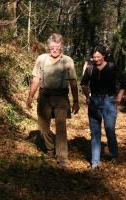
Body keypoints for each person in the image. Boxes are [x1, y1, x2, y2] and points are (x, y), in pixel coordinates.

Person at [26, 33, 80, 168]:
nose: (54, 49)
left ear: (61, 46)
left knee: (61, 128)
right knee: (43, 127)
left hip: (61, 97)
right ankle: (50, 148)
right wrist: (30, 96)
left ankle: (62, 157)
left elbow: (73, 82)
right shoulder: (41, 59)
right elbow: (36, 79)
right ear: (48, 47)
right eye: (52, 47)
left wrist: (76, 101)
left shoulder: (68, 61)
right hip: (44, 96)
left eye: (57, 46)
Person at [80, 44, 126, 170]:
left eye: (99, 57)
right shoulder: (90, 69)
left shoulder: (112, 67)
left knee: (109, 130)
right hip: (94, 102)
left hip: (109, 102)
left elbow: (123, 83)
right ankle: (95, 162)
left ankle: (113, 154)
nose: (96, 59)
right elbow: (83, 84)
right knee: (95, 133)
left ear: (104, 56)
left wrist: (119, 97)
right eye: (94, 57)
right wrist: (87, 97)